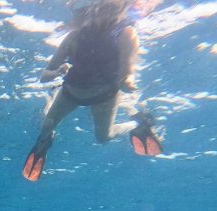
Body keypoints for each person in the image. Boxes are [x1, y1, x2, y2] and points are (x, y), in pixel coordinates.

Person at [22, 0, 162, 182]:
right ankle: (44, 142)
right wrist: (57, 72)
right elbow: (44, 76)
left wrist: (127, 82)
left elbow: (128, 71)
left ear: (122, 10)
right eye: (103, 8)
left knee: (104, 137)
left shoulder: (127, 34)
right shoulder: (74, 37)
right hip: (71, 92)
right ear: (93, 10)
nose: (106, 13)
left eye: (113, 8)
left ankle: (138, 125)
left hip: (105, 95)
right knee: (46, 126)